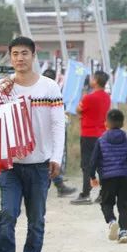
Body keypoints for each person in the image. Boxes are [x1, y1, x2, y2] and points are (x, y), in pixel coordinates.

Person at [0, 36, 65, 252]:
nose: (19, 58)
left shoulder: (49, 87)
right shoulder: (3, 87)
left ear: (34, 56)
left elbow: (57, 125)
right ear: (10, 57)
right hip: (10, 165)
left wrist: (56, 157)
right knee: (7, 214)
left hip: (39, 165)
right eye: (15, 54)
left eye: (24, 53)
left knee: (36, 220)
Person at [89, 109, 127, 243]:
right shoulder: (126, 140)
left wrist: (92, 176)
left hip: (107, 178)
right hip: (123, 177)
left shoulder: (101, 140)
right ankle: (123, 232)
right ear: (122, 124)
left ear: (107, 123)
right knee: (123, 205)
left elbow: (93, 160)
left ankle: (111, 221)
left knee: (106, 202)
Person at [71, 70, 111, 205]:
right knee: (101, 165)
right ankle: (103, 194)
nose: (90, 80)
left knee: (87, 165)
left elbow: (78, 110)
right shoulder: (107, 97)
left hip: (88, 135)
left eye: (93, 78)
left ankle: (86, 193)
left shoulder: (88, 97)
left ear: (96, 81)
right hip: (102, 134)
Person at [41, 68, 76, 197]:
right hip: (47, 132)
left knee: (48, 159)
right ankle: (58, 186)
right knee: (49, 159)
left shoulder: (40, 89)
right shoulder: (51, 91)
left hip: (43, 132)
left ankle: (59, 185)